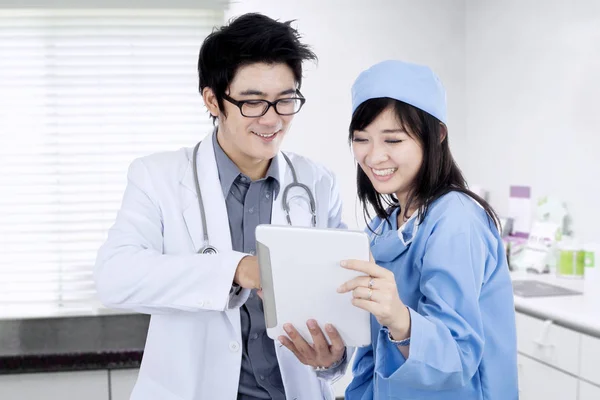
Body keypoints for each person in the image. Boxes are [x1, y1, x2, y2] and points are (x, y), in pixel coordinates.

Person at [94, 13, 349, 400]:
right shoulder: (157, 177)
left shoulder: (317, 182)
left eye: (285, 101)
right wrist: (237, 269)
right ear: (213, 100)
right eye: (252, 103)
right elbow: (115, 276)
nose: (272, 119)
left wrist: (332, 358)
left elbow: (341, 300)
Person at [336, 60, 518, 399]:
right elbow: (372, 352)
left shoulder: (455, 220)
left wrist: (399, 318)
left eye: (392, 140)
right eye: (362, 139)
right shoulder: (383, 225)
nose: (374, 157)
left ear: (436, 134)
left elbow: (458, 359)